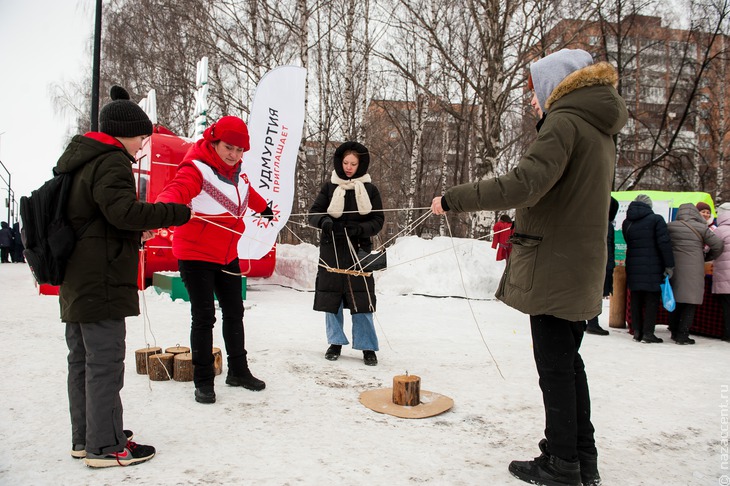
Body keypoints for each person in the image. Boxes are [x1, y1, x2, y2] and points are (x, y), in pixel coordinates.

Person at [431, 48, 627, 486]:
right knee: (568, 363)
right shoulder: (599, 127)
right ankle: (579, 455)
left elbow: (525, 184)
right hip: (578, 263)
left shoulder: (565, 121)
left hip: (557, 265)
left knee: (556, 367)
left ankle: (562, 464)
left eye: (534, 91)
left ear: (556, 85)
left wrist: (453, 199)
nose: (533, 100)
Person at [59, 85, 191, 467]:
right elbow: (123, 213)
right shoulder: (111, 160)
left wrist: (136, 231)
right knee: (104, 362)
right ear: (123, 133)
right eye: (140, 137)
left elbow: (99, 219)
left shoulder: (81, 159)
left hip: (78, 278)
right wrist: (174, 214)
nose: (142, 145)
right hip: (99, 279)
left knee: (83, 360)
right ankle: (106, 447)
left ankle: (87, 438)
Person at [156, 115, 273, 404]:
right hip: (195, 255)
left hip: (226, 254)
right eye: (228, 148)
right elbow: (177, 189)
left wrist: (264, 208)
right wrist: (161, 208)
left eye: (240, 150)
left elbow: (244, 193)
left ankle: (238, 371)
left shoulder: (236, 172)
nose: (234, 155)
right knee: (204, 315)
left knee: (235, 312)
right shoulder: (196, 168)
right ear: (214, 142)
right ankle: (203, 380)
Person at [308, 141, 384, 366]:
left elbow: (378, 220)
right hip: (331, 251)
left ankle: (367, 347)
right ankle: (335, 342)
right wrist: (326, 222)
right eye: (345, 163)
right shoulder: (330, 186)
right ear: (339, 163)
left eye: (353, 163)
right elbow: (313, 214)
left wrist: (360, 229)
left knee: (362, 300)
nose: (349, 167)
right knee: (332, 300)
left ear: (361, 164)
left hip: (359, 251)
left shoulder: (370, 189)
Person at [666, 203, 724, 344]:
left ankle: (674, 331)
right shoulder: (702, 228)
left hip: (674, 268)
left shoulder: (670, 226)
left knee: (676, 300)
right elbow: (718, 245)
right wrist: (706, 257)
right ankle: (683, 334)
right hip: (694, 269)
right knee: (690, 302)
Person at [621, 194, 675, 343]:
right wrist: (669, 265)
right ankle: (648, 333)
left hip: (633, 265)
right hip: (653, 266)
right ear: (649, 206)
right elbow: (664, 244)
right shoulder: (656, 220)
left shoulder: (627, 222)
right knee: (651, 300)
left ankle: (637, 332)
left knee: (636, 299)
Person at [586, 197, 620, 336]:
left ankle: (585, 321)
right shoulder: (605, 225)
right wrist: (610, 266)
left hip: (590, 264)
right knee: (596, 293)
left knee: (589, 292)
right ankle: (592, 323)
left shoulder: (591, 221)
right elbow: (607, 248)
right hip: (600, 265)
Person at [712, 202, 730, 342]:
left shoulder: (719, 230)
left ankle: (728, 333)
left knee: (727, 306)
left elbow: (711, 250)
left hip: (724, 275)